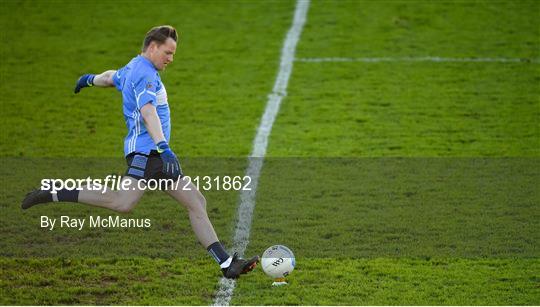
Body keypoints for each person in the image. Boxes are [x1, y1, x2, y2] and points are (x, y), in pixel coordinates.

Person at [21, 25, 258, 279]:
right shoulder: (145, 75)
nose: (171, 59)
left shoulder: (133, 66)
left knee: (195, 200)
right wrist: (164, 147)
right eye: (168, 52)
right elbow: (148, 112)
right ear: (153, 47)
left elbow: (112, 77)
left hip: (153, 152)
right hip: (148, 153)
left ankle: (226, 264)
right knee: (122, 202)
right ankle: (55, 191)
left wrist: (89, 79)